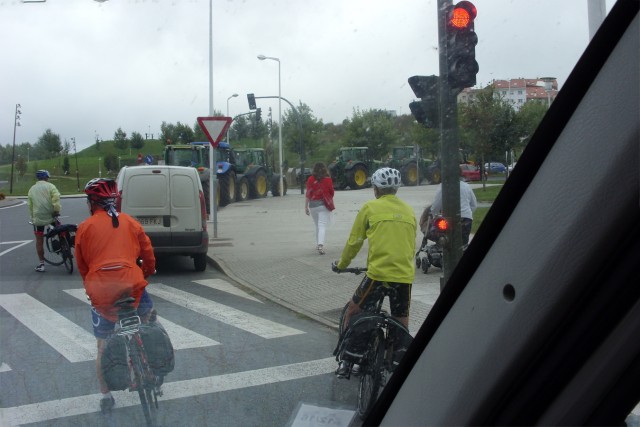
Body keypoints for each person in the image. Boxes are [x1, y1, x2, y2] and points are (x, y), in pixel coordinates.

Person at [75, 178, 156, 414]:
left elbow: (83, 266)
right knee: (147, 314)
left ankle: (106, 396)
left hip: (101, 292)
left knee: (102, 345)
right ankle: (148, 361)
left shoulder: (84, 228)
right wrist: (147, 273)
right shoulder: (130, 222)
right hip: (132, 286)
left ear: (92, 203)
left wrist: (91, 288)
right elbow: (148, 254)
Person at [332, 167, 417, 378]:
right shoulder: (409, 210)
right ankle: (396, 360)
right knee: (401, 321)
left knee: (354, 311)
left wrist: (342, 264)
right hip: (404, 276)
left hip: (377, 275)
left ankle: (347, 361)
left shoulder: (370, 207)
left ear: (377, 188)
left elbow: (354, 242)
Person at [428, 168, 478, 246]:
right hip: (466, 219)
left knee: (447, 243)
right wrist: (466, 214)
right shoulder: (466, 186)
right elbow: (474, 205)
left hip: (449, 219)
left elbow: (436, 205)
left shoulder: (443, 187)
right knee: (463, 244)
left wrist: (433, 215)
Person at [27, 170, 61, 272]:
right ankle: (63, 247)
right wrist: (56, 210)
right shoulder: (51, 186)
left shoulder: (31, 189)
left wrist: (32, 218)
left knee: (39, 240)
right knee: (59, 230)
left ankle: (41, 264)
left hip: (38, 218)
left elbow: (30, 205)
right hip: (51, 215)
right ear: (46, 177)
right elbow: (56, 198)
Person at [305, 162, 335, 255]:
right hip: (323, 205)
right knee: (322, 225)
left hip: (313, 206)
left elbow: (308, 194)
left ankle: (318, 244)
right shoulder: (328, 180)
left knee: (317, 225)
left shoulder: (310, 179)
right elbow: (332, 192)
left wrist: (306, 206)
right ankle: (320, 246)